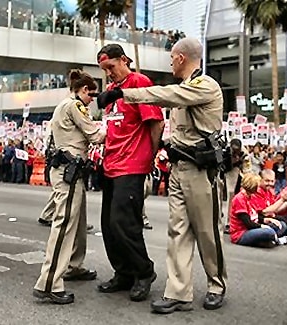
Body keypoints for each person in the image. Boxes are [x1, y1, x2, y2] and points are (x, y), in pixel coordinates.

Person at [97, 37, 227, 313]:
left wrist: (123, 94)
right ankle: (179, 293)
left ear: (180, 58)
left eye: (171, 58)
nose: (170, 62)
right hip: (179, 167)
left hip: (201, 170)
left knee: (207, 231)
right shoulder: (183, 87)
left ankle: (216, 284)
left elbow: (166, 96)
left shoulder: (205, 86)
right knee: (177, 232)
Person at [94, 44, 164, 303]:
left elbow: (156, 123)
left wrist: (150, 156)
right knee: (109, 225)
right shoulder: (112, 91)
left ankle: (144, 272)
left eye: (111, 67)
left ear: (124, 60)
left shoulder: (139, 82)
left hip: (132, 165)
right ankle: (123, 272)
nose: (109, 74)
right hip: (111, 164)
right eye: (104, 70)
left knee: (125, 224)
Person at [33, 70, 106, 305]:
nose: (93, 99)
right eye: (91, 94)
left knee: (78, 221)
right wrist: (117, 127)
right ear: (83, 90)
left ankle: (74, 265)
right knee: (64, 225)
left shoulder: (65, 105)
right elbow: (95, 134)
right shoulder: (75, 105)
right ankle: (49, 282)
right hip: (69, 172)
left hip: (69, 170)